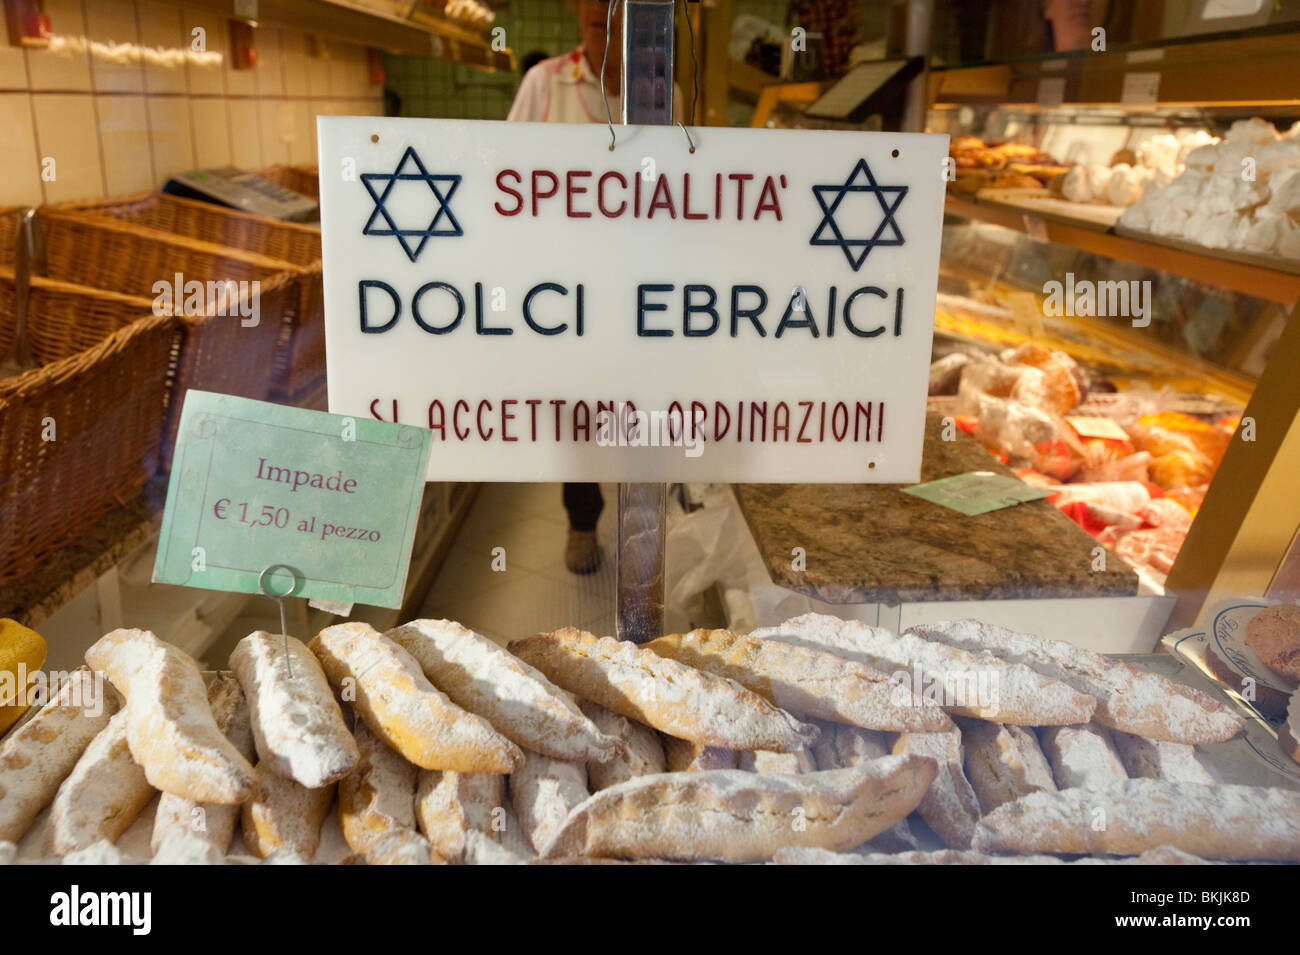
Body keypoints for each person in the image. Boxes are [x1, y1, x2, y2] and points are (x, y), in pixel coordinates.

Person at [507, 0, 681, 574]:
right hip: (564, 292)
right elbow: (504, 173)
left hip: (640, 286)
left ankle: (644, 527)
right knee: (576, 412)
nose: (597, 15)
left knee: (644, 406)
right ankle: (582, 522)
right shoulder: (546, 82)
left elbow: (684, 187)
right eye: (587, 9)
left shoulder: (666, 94)